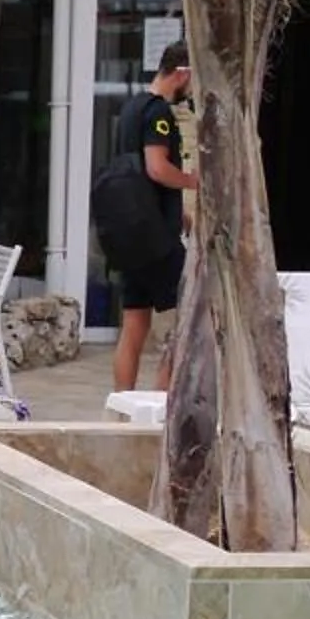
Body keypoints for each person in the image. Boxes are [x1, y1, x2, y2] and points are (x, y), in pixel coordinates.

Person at [112, 43, 200, 393]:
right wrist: (195, 182)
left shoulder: (133, 108)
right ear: (182, 73)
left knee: (134, 324)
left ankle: (122, 404)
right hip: (157, 240)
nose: (191, 91)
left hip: (132, 232)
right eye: (192, 82)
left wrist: (183, 213)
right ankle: (165, 405)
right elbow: (157, 168)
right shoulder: (159, 113)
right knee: (185, 321)